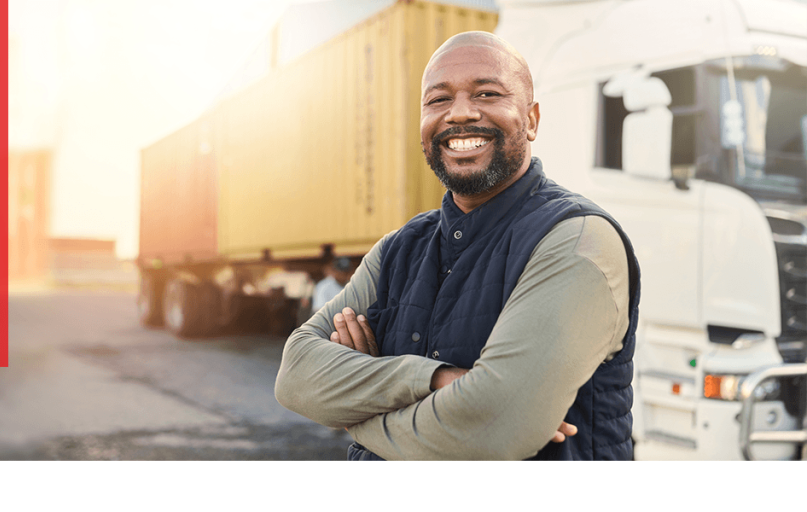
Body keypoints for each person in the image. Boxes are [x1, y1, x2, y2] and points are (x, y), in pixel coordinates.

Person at [274, 31, 640, 460]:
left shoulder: (576, 239)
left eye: (487, 93)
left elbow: (493, 426)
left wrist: (353, 411)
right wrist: (436, 380)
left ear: (532, 119)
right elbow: (295, 375)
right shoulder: (399, 249)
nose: (460, 113)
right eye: (438, 100)